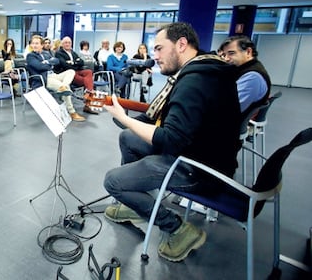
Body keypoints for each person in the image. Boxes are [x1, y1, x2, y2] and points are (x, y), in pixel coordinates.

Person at [103, 22, 241, 263]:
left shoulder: (194, 81)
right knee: (128, 137)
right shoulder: (205, 68)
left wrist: (124, 118)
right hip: (202, 154)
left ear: (181, 44)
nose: (154, 56)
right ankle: (138, 205)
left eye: (158, 49)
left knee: (113, 181)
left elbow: (171, 139)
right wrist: (127, 123)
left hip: (200, 170)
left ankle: (177, 228)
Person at [26, 35, 86, 122]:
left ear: (41, 45)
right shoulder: (30, 56)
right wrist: (49, 64)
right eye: (33, 43)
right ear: (31, 45)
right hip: (44, 78)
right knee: (66, 88)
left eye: (37, 43)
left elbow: (57, 61)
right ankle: (72, 112)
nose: (35, 45)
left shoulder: (46, 54)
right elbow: (39, 67)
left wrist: (46, 62)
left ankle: (63, 87)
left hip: (54, 75)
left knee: (71, 71)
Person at [218, 35, 272, 116]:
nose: (226, 59)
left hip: (230, 123)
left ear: (248, 52)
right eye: (225, 55)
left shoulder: (253, 77)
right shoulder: (245, 68)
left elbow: (229, 109)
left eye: (231, 53)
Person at [54, 36, 97, 114]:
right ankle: (88, 102)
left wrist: (72, 62)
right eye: (65, 43)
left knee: (89, 72)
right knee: (87, 81)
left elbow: (82, 62)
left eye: (69, 42)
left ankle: (88, 93)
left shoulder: (73, 52)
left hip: (77, 71)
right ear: (62, 44)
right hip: (67, 74)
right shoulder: (58, 53)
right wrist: (75, 62)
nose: (67, 44)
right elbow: (65, 66)